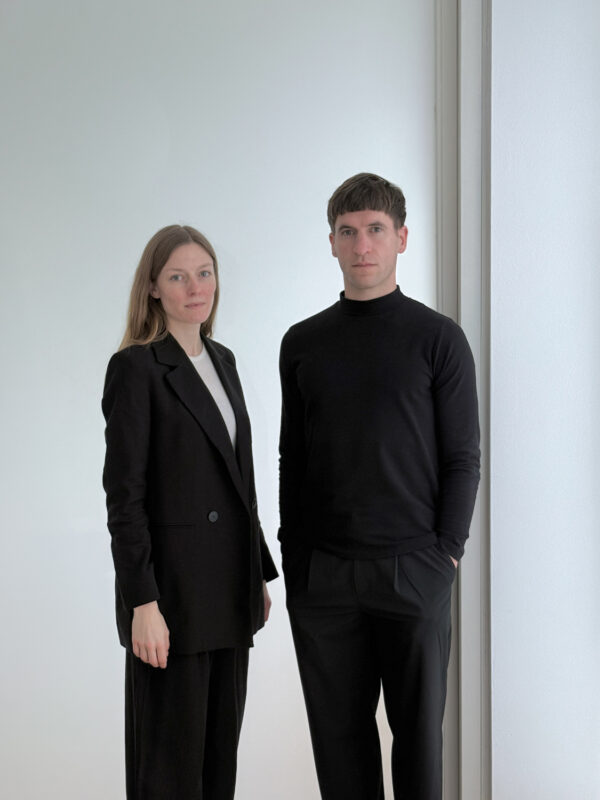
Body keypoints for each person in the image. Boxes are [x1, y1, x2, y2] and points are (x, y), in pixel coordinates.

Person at [278, 173, 480, 800]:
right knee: (339, 749)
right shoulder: (303, 343)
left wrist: (444, 554)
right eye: (348, 232)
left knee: (418, 743)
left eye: (374, 230)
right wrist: (296, 560)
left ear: (401, 239)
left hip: (413, 570)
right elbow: (293, 458)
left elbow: (463, 456)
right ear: (332, 243)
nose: (361, 244)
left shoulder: (438, 338)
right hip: (325, 579)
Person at [102, 224, 277, 800]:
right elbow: (124, 498)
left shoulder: (222, 359)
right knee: (169, 773)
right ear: (153, 288)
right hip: (171, 601)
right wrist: (142, 602)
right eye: (177, 276)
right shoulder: (136, 368)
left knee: (217, 768)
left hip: (229, 592)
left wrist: (258, 573)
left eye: (204, 273)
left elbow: (237, 479)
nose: (195, 287)